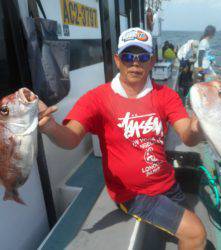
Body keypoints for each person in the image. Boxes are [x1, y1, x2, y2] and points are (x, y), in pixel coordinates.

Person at [39, 27, 206, 250]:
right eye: (128, 56)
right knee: (196, 234)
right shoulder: (97, 98)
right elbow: (70, 139)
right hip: (133, 195)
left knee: (191, 228)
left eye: (142, 57)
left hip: (168, 184)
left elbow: (187, 135)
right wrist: (49, 126)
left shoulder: (166, 96)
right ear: (118, 60)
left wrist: (198, 125)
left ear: (152, 61)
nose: (135, 63)